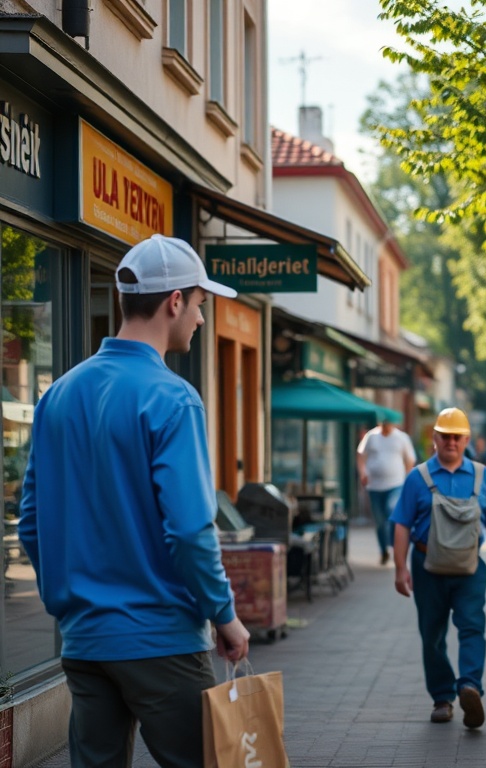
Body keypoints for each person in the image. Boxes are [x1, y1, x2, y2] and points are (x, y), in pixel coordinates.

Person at [18, 234, 250, 767]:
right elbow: (191, 530)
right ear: (174, 301)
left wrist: (69, 601)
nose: (200, 318)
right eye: (199, 304)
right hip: (161, 639)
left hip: (84, 641)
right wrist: (225, 615)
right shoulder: (171, 397)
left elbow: (32, 520)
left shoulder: (58, 394)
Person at [390, 407, 486, 729]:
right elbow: (401, 524)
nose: (451, 442)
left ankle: (469, 686)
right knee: (432, 634)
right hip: (427, 567)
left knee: (472, 627)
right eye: (445, 436)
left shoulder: (483, 476)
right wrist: (400, 568)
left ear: (467, 439)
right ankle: (442, 698)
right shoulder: (418, 477)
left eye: (457, 437)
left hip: (470, 568)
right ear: (435, 439)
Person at [357, 417, 416, 565]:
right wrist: (363, 473)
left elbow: (410, 459)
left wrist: (407, 479)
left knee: (392, 512)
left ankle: (393, 546)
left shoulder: (402, 438)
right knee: (379, 521)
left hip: (395, 484)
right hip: (374, 486)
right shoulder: (371, 436)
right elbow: (360, 455)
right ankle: (383, 550)